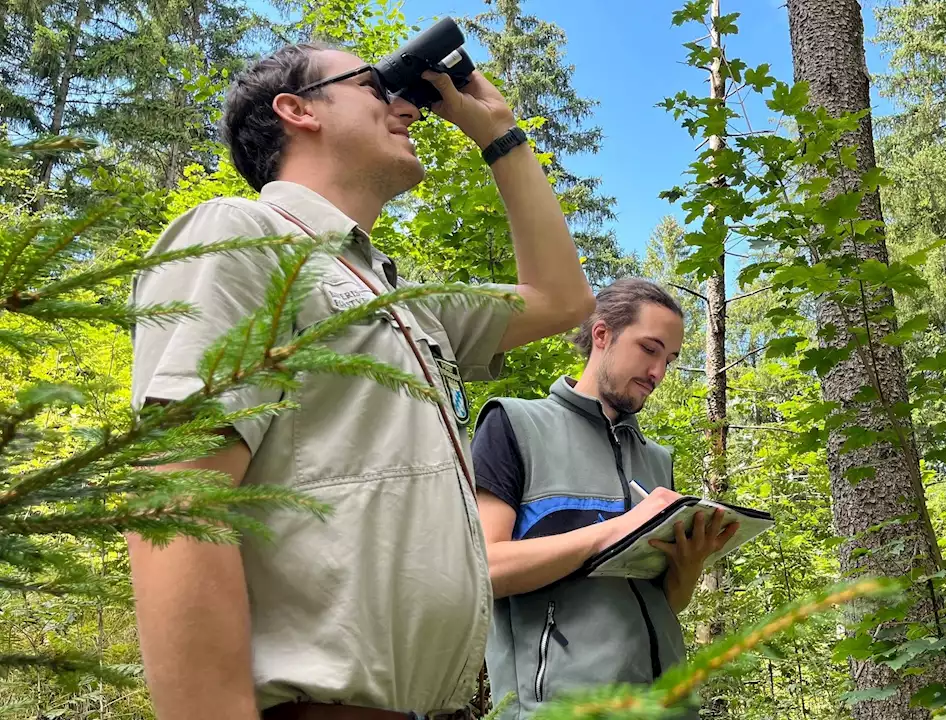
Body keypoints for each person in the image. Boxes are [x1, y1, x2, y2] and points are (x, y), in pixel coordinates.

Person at [127, 42, 594, 720]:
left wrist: (498, 131)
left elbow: (561, 298)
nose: (407, 104)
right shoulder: (245, 235)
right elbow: (179, 496)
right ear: (295, 111)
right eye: (377, 88)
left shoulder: (405, 307)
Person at [472, 278, 740, 718]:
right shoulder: (515, 425)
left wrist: (689, 564)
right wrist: (619, 530)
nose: (658, 373)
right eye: (649, 349)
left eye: (669, 359)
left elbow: (662, 602)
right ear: (602, 335)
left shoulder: (656, 461)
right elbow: (484, 569)